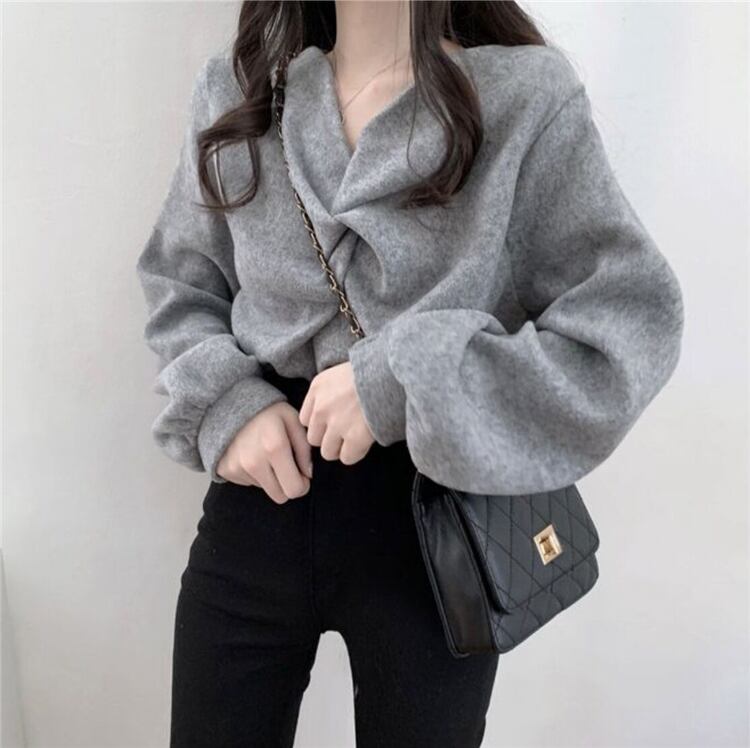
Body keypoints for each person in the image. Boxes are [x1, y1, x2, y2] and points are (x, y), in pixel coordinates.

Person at [135, 2, 684, 746]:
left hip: (433, 527)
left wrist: (402, 379)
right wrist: (225, 404)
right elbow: (180, 284)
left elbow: (626, 329)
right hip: (258, 502)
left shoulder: (523, 100)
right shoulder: (241, 96)